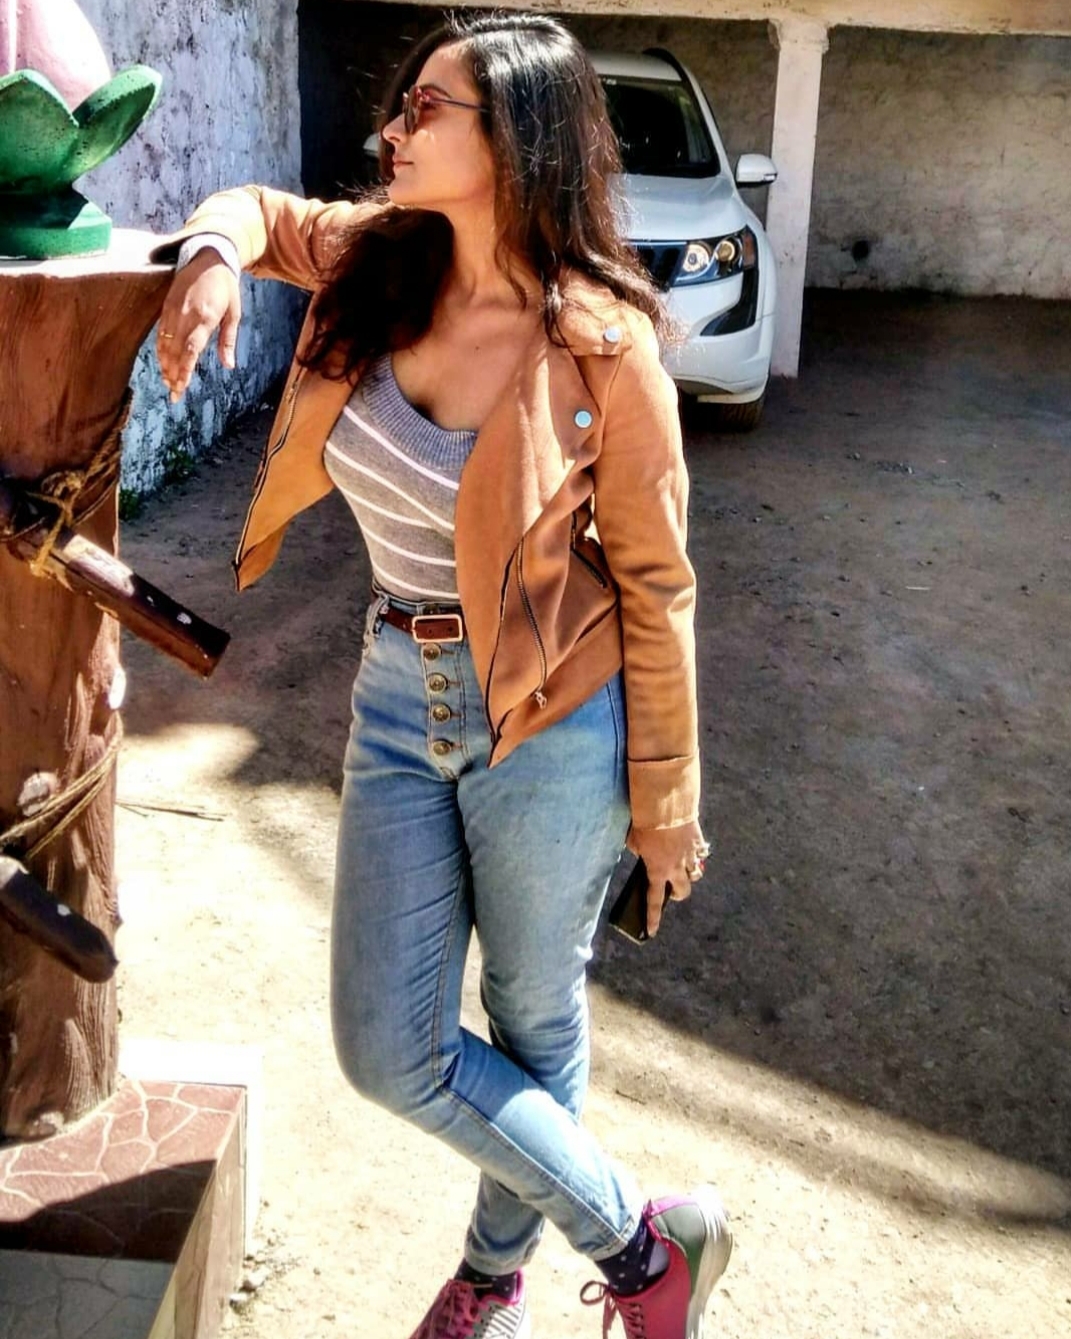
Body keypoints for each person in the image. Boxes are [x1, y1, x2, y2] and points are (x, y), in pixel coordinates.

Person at [154, 13, 727, 1338]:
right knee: (387, 1049)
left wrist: (667, 803)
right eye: (401, 106)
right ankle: (648, 1245)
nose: (391, 131)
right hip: (394, 692)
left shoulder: (603, 348)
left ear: (517, 138)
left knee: (532, 1019)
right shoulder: (382, 259)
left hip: (553, 723)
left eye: (426, 111)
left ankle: (492, 1283)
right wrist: (208, 260)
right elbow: (256, 213)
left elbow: (659, 585)